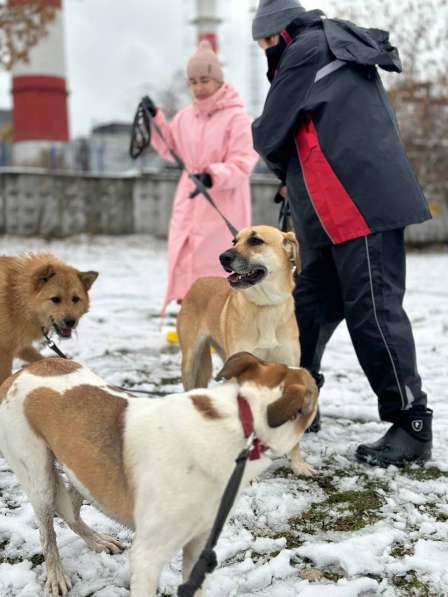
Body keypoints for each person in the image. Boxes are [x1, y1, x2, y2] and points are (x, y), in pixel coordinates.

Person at [251, 0, 433, 467]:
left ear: (283, 32)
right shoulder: (328, 45)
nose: (266, 52)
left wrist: (282, 164)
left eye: (268, 42)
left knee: (372, 310)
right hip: (329, 211)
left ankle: (412, 423)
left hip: (358, 206)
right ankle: (298, 400)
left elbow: (269, 133)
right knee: (309, 306)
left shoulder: (308, 49)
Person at [147, 41, 258, 316]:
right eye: (193, 81)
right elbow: (170, 149)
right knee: (185, 260)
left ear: (218, 80)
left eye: (205, 80)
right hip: (189, 198)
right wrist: (155, 120)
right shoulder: (185, 117)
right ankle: (190, 320)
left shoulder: (237, 118)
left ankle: (222, 324)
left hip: (222, 200)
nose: (199, 87)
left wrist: (212, 176)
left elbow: (243, 162)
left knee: (217, 265)